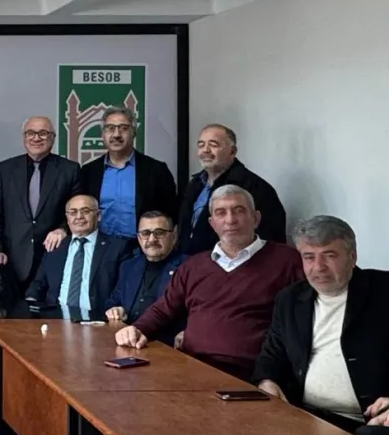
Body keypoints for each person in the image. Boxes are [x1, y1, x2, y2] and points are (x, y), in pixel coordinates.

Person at [115, 185, 304, 381]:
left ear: (255, 218)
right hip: (190, 369)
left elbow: (302, 324)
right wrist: (136, 328)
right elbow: (163, 310)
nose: (230, 220)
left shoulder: (288, 261)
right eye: (221, 213)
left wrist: (269, 377)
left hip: (250, 375)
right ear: (212, 223)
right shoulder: (193, 266)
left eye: (238, 210)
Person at [254, 216, 389, 435]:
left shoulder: (383, 291)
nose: (318, 267)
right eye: (309, 257)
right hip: (306, 415)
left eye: (330, 255)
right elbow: (271, 355)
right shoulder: (290, 299)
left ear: (352, 256)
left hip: (372, 422)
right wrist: (268, 382)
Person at [0, 116, 82, 294]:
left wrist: (63, 229)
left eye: (43, 133)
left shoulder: (70, 170)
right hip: (11, 259)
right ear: (24, 137)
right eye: (31, 133)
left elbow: (78, 210)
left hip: (53, 255)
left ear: (53, 138)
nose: (36, 138)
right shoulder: (4, 170)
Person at [176, 123, 286, 255]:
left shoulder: (255, 188)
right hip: (192, 263)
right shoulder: (194, 184)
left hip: (232, 264)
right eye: (201, 145)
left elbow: (271, 240)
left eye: (213, 145)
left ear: (232, 151)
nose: (205, 150)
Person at [78, 106, 178, 241]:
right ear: (103, 135)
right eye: (110, 128)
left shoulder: (156, 170)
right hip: (100, 247)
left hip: (142, 247)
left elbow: (171, 214)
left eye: (123, 128)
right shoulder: (88, 172)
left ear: (133, 133)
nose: (116, 135)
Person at [25, 195, 130, 314]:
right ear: (67, 218)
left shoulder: (117, 248)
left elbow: (124, 289)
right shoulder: (56, 247)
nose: (79, 217)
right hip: (56, 317)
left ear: (98, 216)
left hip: (98, 318)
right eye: (73, 212)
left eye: (85, 211)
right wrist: (30, 303)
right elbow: (38, 284)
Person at [105, 211, 186, 340]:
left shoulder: (188, 267)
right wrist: (114, 310)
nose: (152, 239)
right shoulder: (128, 266)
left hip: (167, 344)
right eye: (145, 233)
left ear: (174, 235)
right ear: (138, 237)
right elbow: (113, 301)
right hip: (129, 339)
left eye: (159, 232)